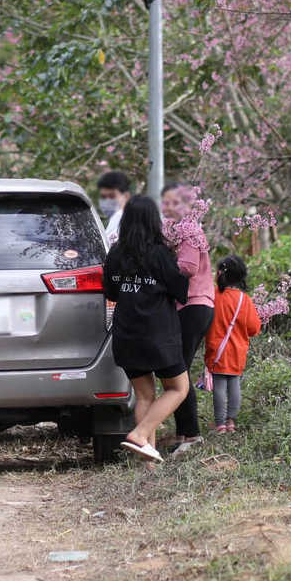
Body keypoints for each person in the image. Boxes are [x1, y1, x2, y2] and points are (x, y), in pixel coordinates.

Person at [103, 195, 190, 463]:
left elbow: (111, 292)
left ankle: (149, 464)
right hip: (158, 336)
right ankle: (140, 434)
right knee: (178, 388)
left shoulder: (115, 254)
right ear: (154, 221)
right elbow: (181, 292)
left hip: (127, 334)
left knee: (144, 396)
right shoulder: (160, 253)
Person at [161, 181, 215, 456]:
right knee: (175, 368)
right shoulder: (173, 231)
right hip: (187, 306)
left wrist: (159, 265)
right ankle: (183, 432)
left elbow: (189, 267)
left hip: (195, 304)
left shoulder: (189, 229)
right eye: (165, 202)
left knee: (177, 369)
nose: (169, 207)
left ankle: (192, 436)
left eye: (175, 203)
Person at [204, 255, 261, 433]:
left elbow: (204, 321)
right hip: (237, 351)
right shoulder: (245, 300)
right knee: (234, 383)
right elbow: (254, 328)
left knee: (219, 386)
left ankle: (220, 424)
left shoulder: (213, 295)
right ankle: (231, 422)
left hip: (217, 349)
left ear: (220, 274)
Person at [96, 170, 131, 245]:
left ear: (126, 196)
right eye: (103, 197)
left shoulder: (132, 221)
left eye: (112, 196)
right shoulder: (113, 219)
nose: (107, 201)